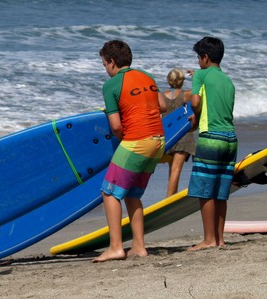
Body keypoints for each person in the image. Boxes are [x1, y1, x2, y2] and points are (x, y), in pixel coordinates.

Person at [93, 40, 167, 263]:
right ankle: (139, 247)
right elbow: (163, 106)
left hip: (138, 140)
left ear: (112, 62)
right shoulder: (146, 76)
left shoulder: (112, 85)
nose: (105, 69)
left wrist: (129, 137)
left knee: (109, 191)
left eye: (104, 64)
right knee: (133, 194)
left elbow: (116, 126)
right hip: (159, 140)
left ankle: (116, 247)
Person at [187, 37, 237, 251]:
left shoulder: (201, 74)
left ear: (205, 57)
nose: (198, 63)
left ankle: (208, 239)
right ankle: (219, 238)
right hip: (231, 139)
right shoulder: (228, 80)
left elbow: (196, 102)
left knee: (205, 190)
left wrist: (194, 116)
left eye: (199, 58)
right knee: (221, 190)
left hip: (211, 138)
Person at [159, 68, 196, 197]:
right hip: (183, 136)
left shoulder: (161, 96)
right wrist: (196, 77)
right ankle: (168, 199)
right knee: (176, 170)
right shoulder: (186, 94)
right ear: (182, 81)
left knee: (172, 169)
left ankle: (172, 195)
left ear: (169, 80)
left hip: (168, 135)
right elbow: (203, 91)